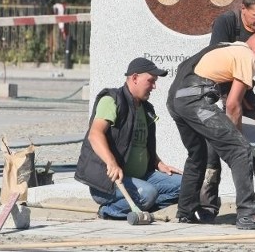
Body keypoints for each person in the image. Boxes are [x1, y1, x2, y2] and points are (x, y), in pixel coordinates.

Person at [166, 31, 255, 230]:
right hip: (195, 101)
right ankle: (248, 215)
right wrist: (237, 137)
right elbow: (233, 105)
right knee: (239, 149)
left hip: (175, 100)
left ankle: (185, 212)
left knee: (197, 155)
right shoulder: (248, 57)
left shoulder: (227, 47)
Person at [200, 0, 255, 221]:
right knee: (213, 152)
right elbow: (216, 59)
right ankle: (207, 206)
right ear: (243, 9)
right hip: (217, 92)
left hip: (245, 94)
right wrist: (230, 104)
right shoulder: (226, 23)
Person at [75, 57, 182, 219]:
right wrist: (111, 162)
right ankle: (109, 210)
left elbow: (140, 143)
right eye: (151, 81)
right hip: (109, 183)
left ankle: (139, 206)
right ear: (134, 78)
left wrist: (158, 163)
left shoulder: (146, 109)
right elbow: (95, 134)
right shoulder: (112, 100)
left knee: (186, 184)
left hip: (142, 178)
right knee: (147, 193)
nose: (154, 86)